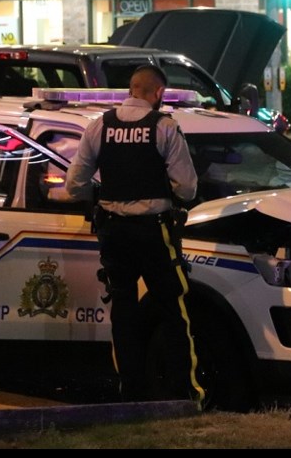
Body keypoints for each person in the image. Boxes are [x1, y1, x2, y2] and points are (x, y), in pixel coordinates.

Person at [65, 65, 205, 407]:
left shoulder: (99, 126)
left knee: (123, 314)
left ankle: (130, 395)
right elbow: (187, 189)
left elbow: (73, 185)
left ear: (131, 89)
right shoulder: (164, 127)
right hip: (153, 232)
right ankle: (184, 394)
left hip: (113, 232)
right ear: (158, 93)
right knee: (174, 311)